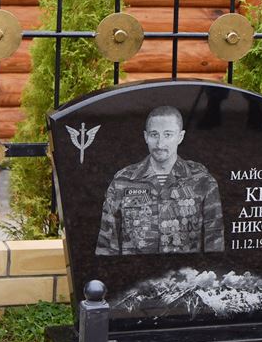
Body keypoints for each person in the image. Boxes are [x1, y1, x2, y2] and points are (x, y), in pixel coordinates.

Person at [96, 107, 224, 255]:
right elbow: (106, 243)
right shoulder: (122, 181)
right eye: (154, 135)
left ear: (180, 137)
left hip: (184, 274)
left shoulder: (202, 181)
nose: (160, 143)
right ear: (145, 137)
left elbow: (215, 241)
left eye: (168, 135)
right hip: (134, 273)